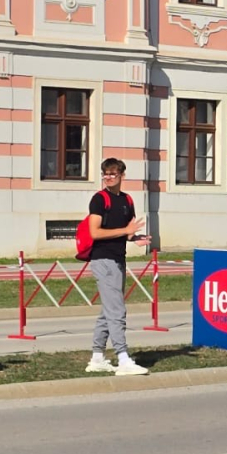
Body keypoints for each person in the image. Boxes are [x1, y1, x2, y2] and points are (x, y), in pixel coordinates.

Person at [85, 158, 149, 377]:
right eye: (105, 174)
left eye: (113, 174)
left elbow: (126, 232)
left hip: (118, 260)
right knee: (117, 311)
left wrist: (136, 237)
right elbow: (95, 232)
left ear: (122, 175)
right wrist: (125, 231)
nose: (108, 177)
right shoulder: (99, 200)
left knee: (108, 311)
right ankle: (123, 358)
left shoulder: (127, 200)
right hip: (103, 261)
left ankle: (97, 358)